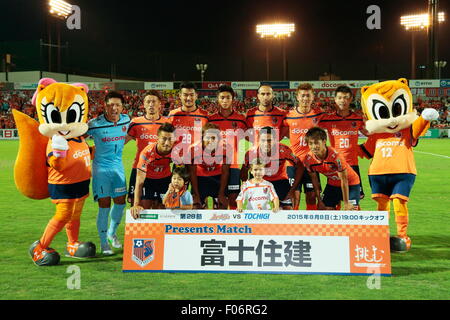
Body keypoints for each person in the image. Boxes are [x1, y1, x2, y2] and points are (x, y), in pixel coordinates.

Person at [86, 91, 130, 255]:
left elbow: (131, 134)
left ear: (122, 107)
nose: (114, 108)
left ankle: (112, 233)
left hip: (118, 167)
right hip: (101, 169)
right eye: (110, 104)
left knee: (120, 202)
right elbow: (78, 138)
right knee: (104, 205)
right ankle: (104, 243)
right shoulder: (94, 124)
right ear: (104, 105)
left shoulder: (126, 120)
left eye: (117, 104)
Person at [319, 86, 368, 202]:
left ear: (351, 99)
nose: (343, 101)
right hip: (334, 165)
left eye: (346, 98)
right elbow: (310, 127)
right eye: (340, 98)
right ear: (335, 99)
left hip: (352, 165)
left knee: (353, 203)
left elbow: (370, 134)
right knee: (331, 203)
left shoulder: (358, 119)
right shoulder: (328, 119)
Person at [282, 83, 326, 210]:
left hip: (312, 162)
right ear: (297, 97)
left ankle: (310, 225)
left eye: (308, 95)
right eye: (302, 96)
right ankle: (294, 226)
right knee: (294, 196)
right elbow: (281, 134)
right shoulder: (288, 116)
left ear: (313, 97)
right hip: (293, 163)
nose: (305, 98)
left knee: (312, 196)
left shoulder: (318, 114)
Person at [241, 126, 304, 210]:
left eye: (269, 140)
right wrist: (246, 185)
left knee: (287, 208)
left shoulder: (284, 150)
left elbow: (300, 166)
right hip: (259, 181)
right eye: (263, 140)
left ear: (275, 140)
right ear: (259, 140)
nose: (266, 143)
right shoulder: (251, 153)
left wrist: (293, 189)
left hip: (280, 180)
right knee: (256, 209)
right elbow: (244, 172)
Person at [125, 90, 168, 208]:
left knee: (162, 208)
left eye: (154, 101)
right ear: (143, 104)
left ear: (160, 104)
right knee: (140, 207)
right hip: (140, 170)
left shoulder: (167, 122)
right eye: (148, 101)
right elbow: (121, 142)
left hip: (162, 172)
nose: (151, 104)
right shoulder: (136, 123)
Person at [208, 85, 247, 209]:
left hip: (234, 165)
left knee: (234, 199)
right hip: (215, 166)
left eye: (228, 98)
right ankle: (218, 226)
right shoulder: (210, 120)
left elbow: (252, 141)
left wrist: (246, 166)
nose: (225, 101)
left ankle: (234, 226)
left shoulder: (241, 119)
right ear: (217, 99)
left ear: (233, 99)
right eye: (222, 98)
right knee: (219, 201)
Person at [303, 127, 361, 210]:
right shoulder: (308, 160)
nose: (313, 147)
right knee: (325, 210)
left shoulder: (336, 157)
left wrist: (346, 203)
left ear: (324, 141)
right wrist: (319, 200)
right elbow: (314, 180)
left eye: (316, 143)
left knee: (351, 212)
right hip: (332, 184)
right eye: (310, 143)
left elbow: (344, 180)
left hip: (350, 183)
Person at [130, 123, 177, 219]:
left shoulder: (177, 151)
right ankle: (144, 233)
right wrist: (136, 204)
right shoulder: (147, 153)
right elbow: (139, 180)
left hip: (165, 180)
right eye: (164, 139)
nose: (167, 143)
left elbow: (180, 173)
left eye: (170, 139)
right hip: (148, 180)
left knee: (164, 209)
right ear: (157, 138)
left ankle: (162, 233)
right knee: (143, 207)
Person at [187, 123, 231, 209]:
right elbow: (192, 173)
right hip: (200, 177)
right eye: (207, 137)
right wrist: (196, 194)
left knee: (222, 206)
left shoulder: (226, 148)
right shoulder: (193, 149)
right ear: (202, 138)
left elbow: (225, 172)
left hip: (218, 177)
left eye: (213, 138)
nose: (210, 141)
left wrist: (221, 194)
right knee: (197, 207)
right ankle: (204, 203)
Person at [168, 82, 209, 146]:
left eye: (191, 95)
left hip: (197, 155)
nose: (188, 98)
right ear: (180, 96)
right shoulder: (172, 114)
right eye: (185, 95)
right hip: (176, 154)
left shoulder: (205, 115)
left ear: (196, 96)